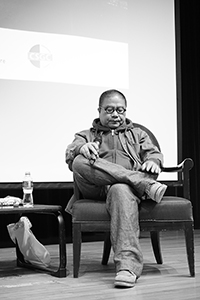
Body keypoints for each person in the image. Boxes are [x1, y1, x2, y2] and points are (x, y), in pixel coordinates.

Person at [65, 89, 167, 288]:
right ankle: (143, 183)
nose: (115, 115)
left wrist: (154, 161)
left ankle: (127, 268)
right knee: (78, 161)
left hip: (124, 191)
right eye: (110, 110)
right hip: (95, 188)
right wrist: (81, 148)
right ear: (99, 110)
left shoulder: (138, 134)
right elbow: (70, 152)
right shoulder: (85, 134)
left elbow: (154, 153)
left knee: (120, 188)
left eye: (120, 110)